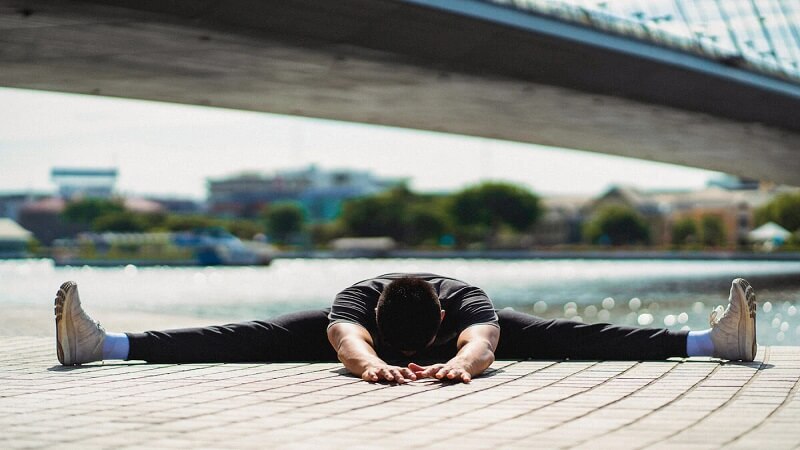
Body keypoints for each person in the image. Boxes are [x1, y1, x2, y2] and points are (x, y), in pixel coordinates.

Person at [54, 273, 758, 383]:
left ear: (443, 322)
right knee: (252, 334)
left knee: (564, 332)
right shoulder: (355, 304)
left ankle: (710, 343)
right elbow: (345, 342)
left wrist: (461, 366)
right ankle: (103, 344)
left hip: (467, 326)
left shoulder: (471, 307)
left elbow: (482, 345)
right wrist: (371, 366)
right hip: (360, 331)